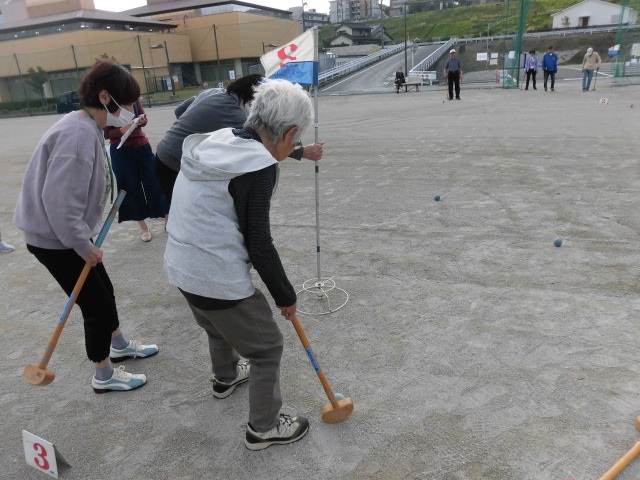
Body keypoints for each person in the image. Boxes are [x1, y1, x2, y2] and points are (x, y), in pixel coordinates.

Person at [164, 79, 314, 451]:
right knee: (266, 348)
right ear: (290, 132)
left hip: (181, 266)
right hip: (213, 273)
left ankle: (225, 377)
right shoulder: (258, 167)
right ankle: (263, 428)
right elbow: (259, 244)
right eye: (296, 142)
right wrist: (285, 295)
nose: (294, 148)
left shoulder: (216, 140)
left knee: (218, 325)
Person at [13, 60, 158, 393]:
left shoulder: (83, 124)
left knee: (103, 290)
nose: (130, 111)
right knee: (96, 305)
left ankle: (119, 344)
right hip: (55, 239)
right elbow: (60, 204)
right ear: (105, 97)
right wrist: (82, 244)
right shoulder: (77, 135)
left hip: (64, 233)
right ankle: (103, 374)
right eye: (126, 103)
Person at [154, 73, 324, 203]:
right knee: (182, 210)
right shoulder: (236, 115)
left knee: (175, 207)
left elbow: (179, 111)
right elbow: (266, 144)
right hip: (175, 163)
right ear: (253, 99)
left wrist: (192, 128)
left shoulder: (213, 92)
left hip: (163, 150)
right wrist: (302, 152)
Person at [104, 100, 169, 242]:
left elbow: (144, 118)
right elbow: (106, 133)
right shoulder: (106, 102)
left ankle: (167, 220)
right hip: (120, 150)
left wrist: (140, 120)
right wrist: (122, 129)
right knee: (129, 188)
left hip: (142, 146)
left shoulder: (131, 97)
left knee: (155, 182)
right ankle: (144, 228)